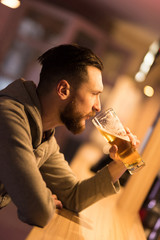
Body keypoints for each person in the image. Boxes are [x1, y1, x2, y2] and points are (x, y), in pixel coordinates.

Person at [0, 44, 139, 227]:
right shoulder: (8, 116)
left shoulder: (45, 135)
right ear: (63, 90)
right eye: (94, 94)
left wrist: (120, 164)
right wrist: (43, 200)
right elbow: (38, 211)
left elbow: (73, 196)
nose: (98, 106)